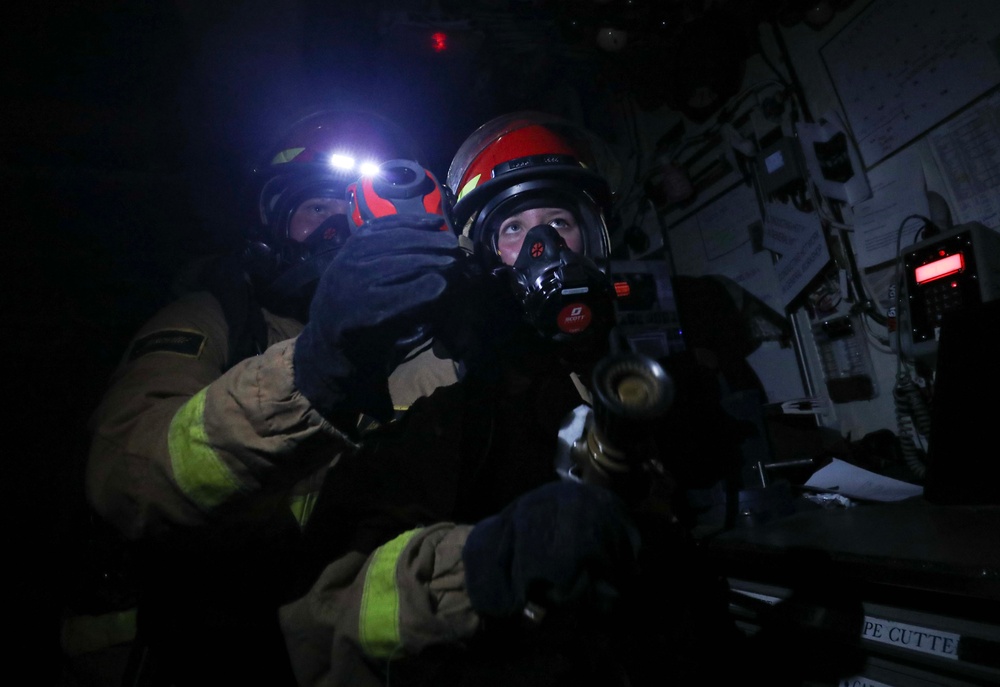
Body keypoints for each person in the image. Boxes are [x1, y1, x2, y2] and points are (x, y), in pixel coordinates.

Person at [278, 111, 754, 686]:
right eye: (513, 229)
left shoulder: (641, 357)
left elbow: (701, 474)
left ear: (592, 236)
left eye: (559, 221)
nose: (543, 245)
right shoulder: (448, 396)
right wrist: (492, 562)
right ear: (484, 256)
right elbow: (327, 607)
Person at [84, 107, 463, 685]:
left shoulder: (451, 353)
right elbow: (128, 478)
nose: (339, 226)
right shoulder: (216, 320)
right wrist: (312, 372)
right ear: (272, 224)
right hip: (208, 653)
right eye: (318, 207)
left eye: (357, 208)